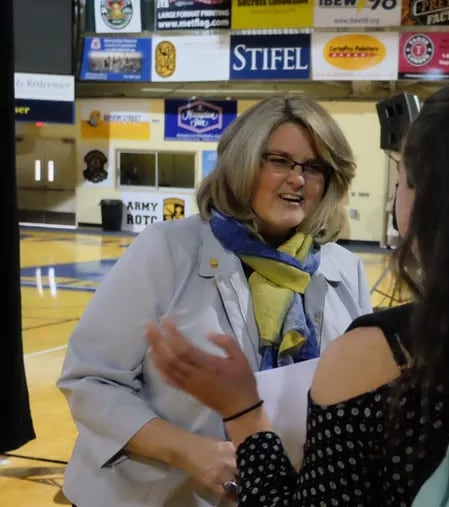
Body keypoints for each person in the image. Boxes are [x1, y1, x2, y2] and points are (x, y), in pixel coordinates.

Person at [147, 82, 449, 506]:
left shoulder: (375, 358)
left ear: (424, 202)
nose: (298, 179)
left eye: (401, 181)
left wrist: (244, 412)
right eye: (280, 162)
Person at [57, 94, 373, 507]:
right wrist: (188, 451)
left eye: (314, 167)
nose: (298, 179)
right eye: (280, 161)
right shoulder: (167, 249)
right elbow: (90, 381)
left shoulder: (345, 269)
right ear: (243, 161)